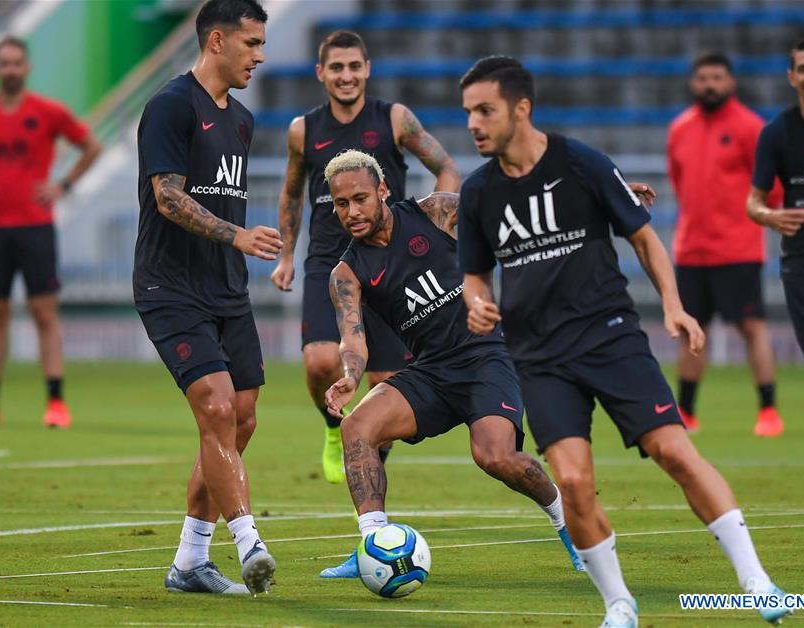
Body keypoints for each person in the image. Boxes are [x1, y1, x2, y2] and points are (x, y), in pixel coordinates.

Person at [456, 56, 789, 627]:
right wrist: (477, 304)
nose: (473, 123)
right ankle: (619, 603)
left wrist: (674, 305)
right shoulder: (478, 192)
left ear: (521, 108)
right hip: (538, 358)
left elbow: (644, 239)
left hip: (610, 338)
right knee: (574, 480)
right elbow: (475, 273)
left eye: (485, 110)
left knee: (674, 453)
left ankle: (757, 581)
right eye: (468, 113)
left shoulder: (581, 162)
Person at [316, 149, 582, 579]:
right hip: (432, 370)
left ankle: (570, 523)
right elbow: (353, 339)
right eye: (341, 204)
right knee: (356, 427)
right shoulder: (346, 273)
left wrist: (609, 197)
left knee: (495, 457)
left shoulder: (434, 212)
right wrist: (349, 374)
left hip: (486, 356)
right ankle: (373, 544)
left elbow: (508, 207)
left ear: (383, 190)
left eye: (361, 198)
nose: (353, 211)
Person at [269, 30, 461, 483]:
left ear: (367, 69)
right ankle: (335, 429)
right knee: (319, 362)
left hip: (389, 265)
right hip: (327, 260)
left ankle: (370, 458)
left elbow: (446, 166)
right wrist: (286, 256)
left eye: (354, 66)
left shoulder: (395, 119)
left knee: (385, 381)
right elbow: (292, 193)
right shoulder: (303, 130)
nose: (346, 75)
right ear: (321, 73)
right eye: (336, 67)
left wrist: (434, 228)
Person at [134, 0, 280, 595]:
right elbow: (168, 198)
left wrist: (244, 244)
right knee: (217, 410)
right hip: (170, 287)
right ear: (216, 40)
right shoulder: (170, 105)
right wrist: (239, 235)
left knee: (238, 422)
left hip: (227, 290)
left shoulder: (241, 119)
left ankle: (190, 561)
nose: (261, 55)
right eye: (251, 43)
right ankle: (249, 541)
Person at [0, 35, 101, 429]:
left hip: (36, 227)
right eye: (5, 63)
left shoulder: (48, 112)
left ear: (26, 68)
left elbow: (91, 147)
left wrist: (61, 187)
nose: (11, 69)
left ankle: (56, 402)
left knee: (44, 313)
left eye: (17, 63)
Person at [667, 52, 784, 436]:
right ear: (693, 83)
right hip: (692, 249)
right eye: (703, 78)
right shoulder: (679, 129)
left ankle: (768, 411)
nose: (710, 84)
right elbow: (680, 181)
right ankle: (686, 411)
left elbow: (772, 188)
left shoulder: (751, 127)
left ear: (730, 82)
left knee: (752, 327)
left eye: (717, 77)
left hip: (737, 249)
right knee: (691, 330)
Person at [747, 39, 804, 498]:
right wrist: (770, 216)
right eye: (802, 69)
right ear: (791, 77)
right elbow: (753, 202)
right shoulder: (778, 134)